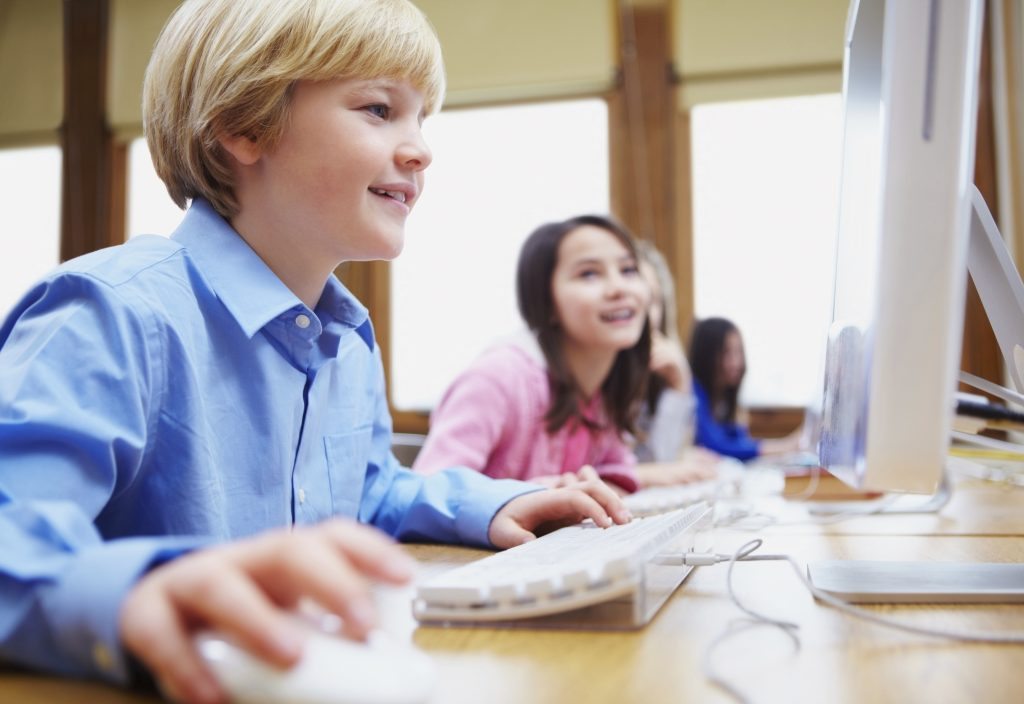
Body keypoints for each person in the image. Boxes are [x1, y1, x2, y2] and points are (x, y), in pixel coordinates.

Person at [0, 3, 630, 703]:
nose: (420, 148)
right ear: (243, 123)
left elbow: (366, 495)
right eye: (378, 109)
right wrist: (136, 592)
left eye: (422, 119)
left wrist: (496, 503)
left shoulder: (345, 338)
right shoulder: (110, 312)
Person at [412, 215, 652, 493]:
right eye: (589, 273)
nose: (619, 288)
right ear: (546, 302)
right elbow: (430, 493)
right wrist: (539, 498)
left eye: (628, 269)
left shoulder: (606, 385)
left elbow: (616, 471)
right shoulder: (499, 378)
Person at [631, 241, 719, 484]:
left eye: (653, 300)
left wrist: (679, 385)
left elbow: (661, 460)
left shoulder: (654, 376)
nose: (645, 312)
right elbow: (659, 466)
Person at [688, 316, 802, 460]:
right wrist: (785, 446)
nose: (736, 362)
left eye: (739, 352)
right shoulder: (692, 393)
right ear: (707, 354)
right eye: (726, 353)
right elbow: (715, 445)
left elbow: (740, 441)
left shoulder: (724, 398)